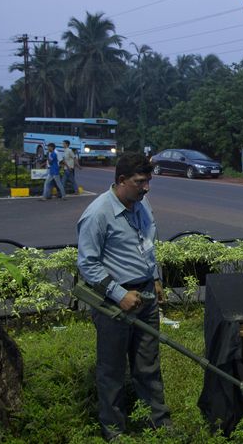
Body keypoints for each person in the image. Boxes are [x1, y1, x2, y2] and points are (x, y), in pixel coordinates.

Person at [76, 153, 171, 440]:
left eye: (148, 182)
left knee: (148, 366)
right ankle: (114, 431)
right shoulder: (98, 213)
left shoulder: (142, 204)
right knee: (112, 369)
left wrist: (154, 278)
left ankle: (158, 424)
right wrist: (119, 295)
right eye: (140, 182)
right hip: (115, 302)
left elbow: (147, 243)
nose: (146, 188)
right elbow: (87, 263)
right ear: (121, 181)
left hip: (145, 296)